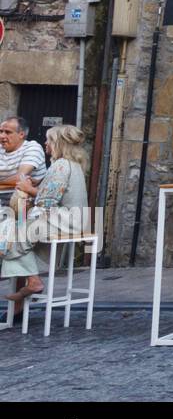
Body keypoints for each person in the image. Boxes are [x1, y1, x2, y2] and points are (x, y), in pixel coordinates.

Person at [2, 125, 89, 311]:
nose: (46, 143)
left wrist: (27, 189)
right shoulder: (72, 164)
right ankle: (33, 281)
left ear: (57, 143)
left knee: (10, 236)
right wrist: (38, 185)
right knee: (13, 235)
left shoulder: (60, 165)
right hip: (74, 219)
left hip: (63, 220)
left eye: (49, 140)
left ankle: (33, 281)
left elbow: (47, 200)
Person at [0, 116, 47, 188]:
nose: (2, 136)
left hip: (23, 198)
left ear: (21, 134)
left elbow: (20, 178)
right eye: (1, 131)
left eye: (8, 132)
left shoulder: (32, 147)